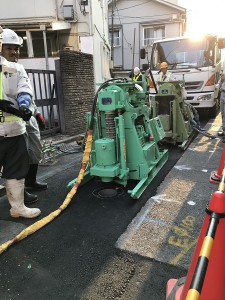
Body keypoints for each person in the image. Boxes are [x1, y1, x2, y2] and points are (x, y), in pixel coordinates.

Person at [1, 28, 48, 205]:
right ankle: (20, 194)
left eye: (16, 48)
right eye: (9, 48)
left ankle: (30, 182)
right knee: (15, 161)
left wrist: (35, 113)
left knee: (34, 149)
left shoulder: (18, 69)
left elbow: (25, 91)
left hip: (25, 118)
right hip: (6, 124)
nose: (14, 52)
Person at [216, 70, 225, 135]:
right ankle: (224, 130)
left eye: (222, 75)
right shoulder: (221, 80)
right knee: (222, 113)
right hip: (222, 96)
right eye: (221, 75)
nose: (221, 76)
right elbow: (218, 85)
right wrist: (218, 86)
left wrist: (223, 89)